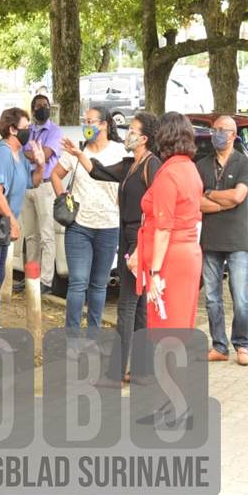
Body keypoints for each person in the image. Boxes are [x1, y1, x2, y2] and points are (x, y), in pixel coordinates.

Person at [82, 112, 161, 385]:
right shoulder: (131, 164)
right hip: (127, 235)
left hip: (139, 237)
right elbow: (99, 172)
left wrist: (141, 247)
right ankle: (141, 370)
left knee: (127, 305)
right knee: (137, 307)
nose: (128, 134)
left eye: (133, 130)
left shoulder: (152, 165)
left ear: (144, 138)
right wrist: (78, 154)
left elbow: (156, 209)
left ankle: (116, 372)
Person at [129, 113, 203, 331]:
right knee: (180, 324)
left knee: (165, 325)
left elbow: (164, 228)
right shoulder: (190, 168)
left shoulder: (169, 173)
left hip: (170, 256)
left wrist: (155, 272)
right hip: (188, 253)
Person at [54, 108, 123, 330]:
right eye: (84, 121)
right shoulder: (77, 150)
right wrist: (64, 198)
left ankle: (94, 334)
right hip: (79, 226)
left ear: (104, 124)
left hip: (108, 226)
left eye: (91, 121)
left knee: (99, 284)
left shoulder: (119, 151)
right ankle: (72, 336)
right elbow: (55, 175)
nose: (86, 126)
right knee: (77, 282)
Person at [0, 108, 45, 329]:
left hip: (4, 227)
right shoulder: (3, 154)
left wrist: (41, 164)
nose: (29, 132)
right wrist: (13, 221)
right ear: (12, 129)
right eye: (25, 128)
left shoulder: (19, 155)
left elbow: (34, 181)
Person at [196, 115, 248, 364]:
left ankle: (242, 344)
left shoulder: (243, 163)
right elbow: (196, 201)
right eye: (213, 129)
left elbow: (239, 197)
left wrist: (210, 193)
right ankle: (219, 346)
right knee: (212, 298)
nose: (216, 134)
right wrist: (221, 204)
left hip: (239, 239)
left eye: (221, 130)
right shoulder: (201, 165)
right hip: (211, 239)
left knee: (241, 298)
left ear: (233, 134)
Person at [19, 93, 64, 293]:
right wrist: (31, 155)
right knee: (30, 235)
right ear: (32, 109)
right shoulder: (28, 130)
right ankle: (32, 276)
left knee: (46, 235)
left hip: (45, 186)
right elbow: (22, 152)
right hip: (27, 184)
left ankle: (46, 280)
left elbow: (43, 155)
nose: (42, 108)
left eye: (45, 105)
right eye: (38, 106)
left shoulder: (55, 131)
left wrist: (27, 154)